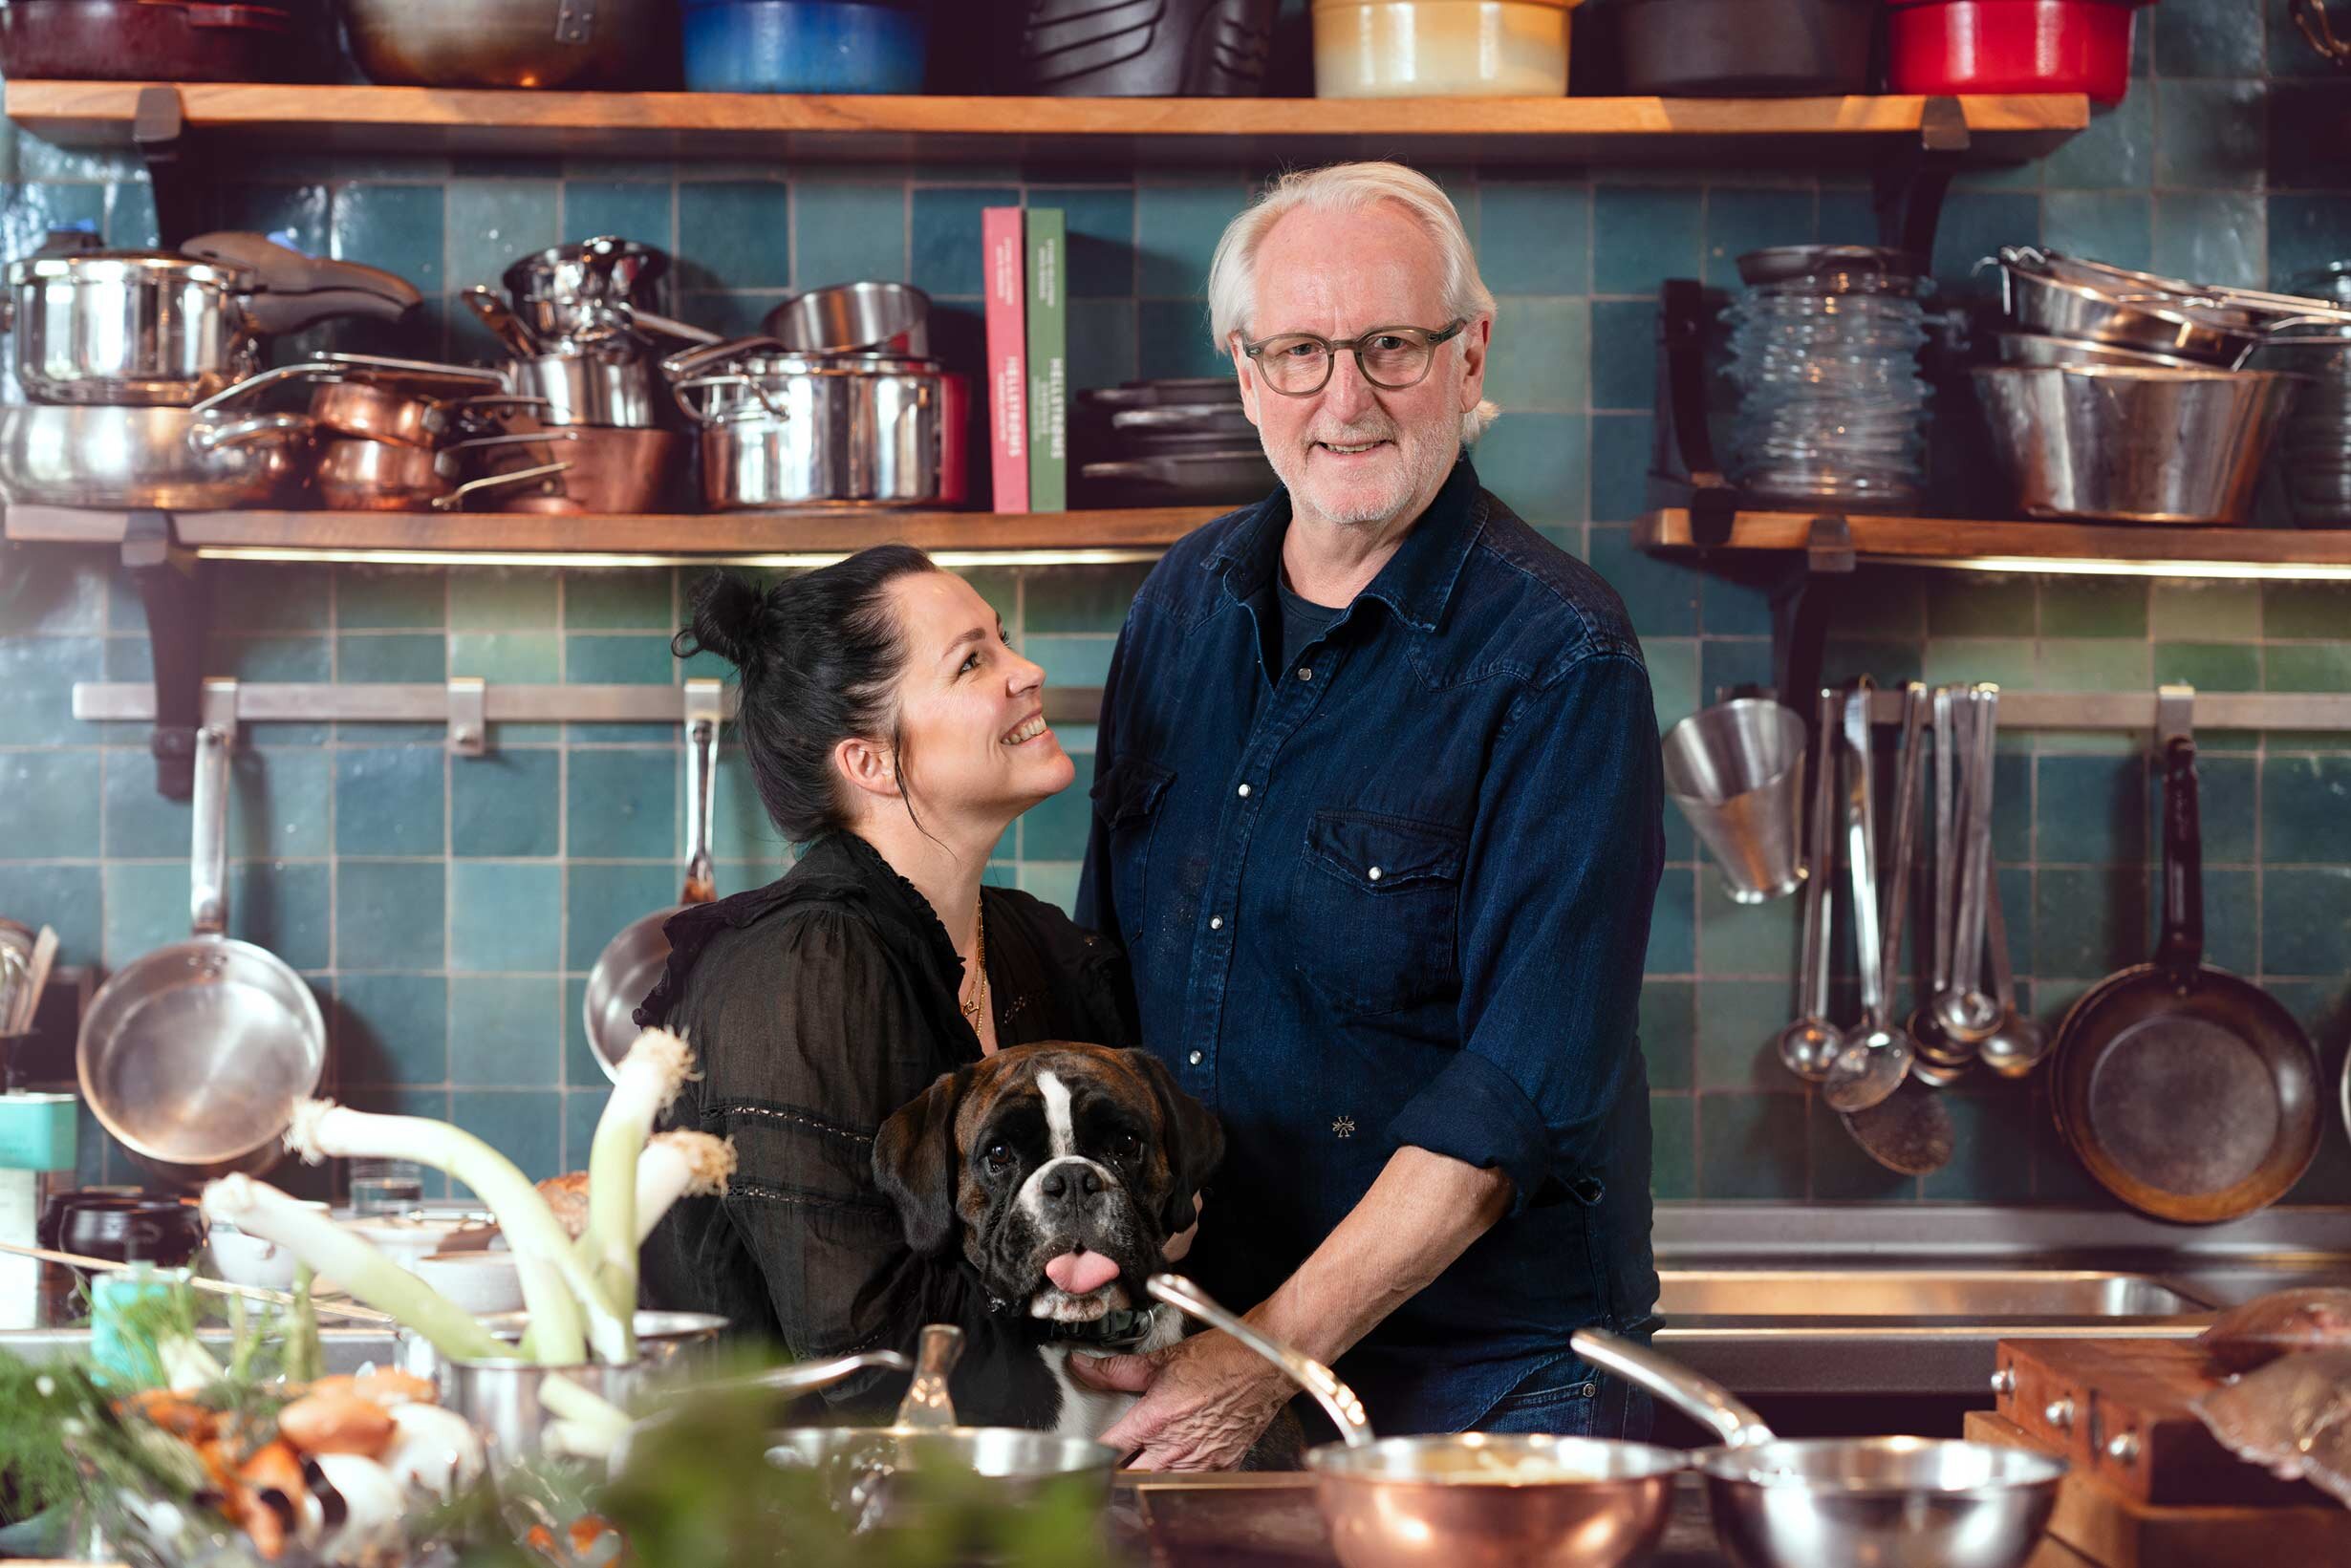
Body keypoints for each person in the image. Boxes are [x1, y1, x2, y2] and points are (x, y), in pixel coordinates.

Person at [1070, 161, 1665, 1467]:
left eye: (1392, 345)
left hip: (1483, 1390)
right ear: (1246, 375)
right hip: (1203, 1352)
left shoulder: (1562, 658)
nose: (1345, 399)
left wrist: (1265, 1359)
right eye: (1299, 352)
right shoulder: (1180, 605)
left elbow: (1513, 1104)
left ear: (1470, 355)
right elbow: (1107, 984)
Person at [636, 548, 1136, 1409]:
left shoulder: (1036, 946)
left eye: (1002, 641)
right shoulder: (803, 969)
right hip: (769, 1484)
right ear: (869, 761)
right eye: (972, 661)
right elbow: (865, 1357)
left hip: (999, 1472)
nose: (1028, 671)